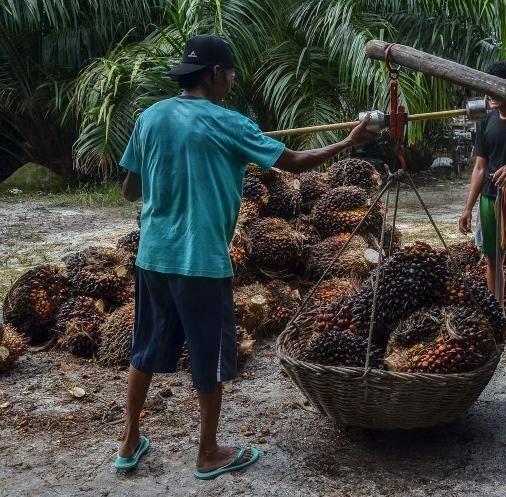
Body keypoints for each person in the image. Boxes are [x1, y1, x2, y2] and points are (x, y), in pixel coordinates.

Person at [114, 34, 377, 479]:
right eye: (231, 72)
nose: (233, 80)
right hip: (199, 261)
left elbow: (129, 188)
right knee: (209, 358)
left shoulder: (150, 117)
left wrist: (171, 165)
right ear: (214, 74)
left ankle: (128, 442)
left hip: (152, 257)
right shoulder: (230, 124)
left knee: (144, 349)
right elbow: (293, 161)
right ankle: (208, 453)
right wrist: (348, 142)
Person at [458, 61, 506, 342]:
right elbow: (480, 167)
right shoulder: (486, 121)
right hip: (490, 201)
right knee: (493, 259)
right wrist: (468, 208)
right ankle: (498, 313)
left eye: (495, 87)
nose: (489, 93)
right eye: (487, 86)